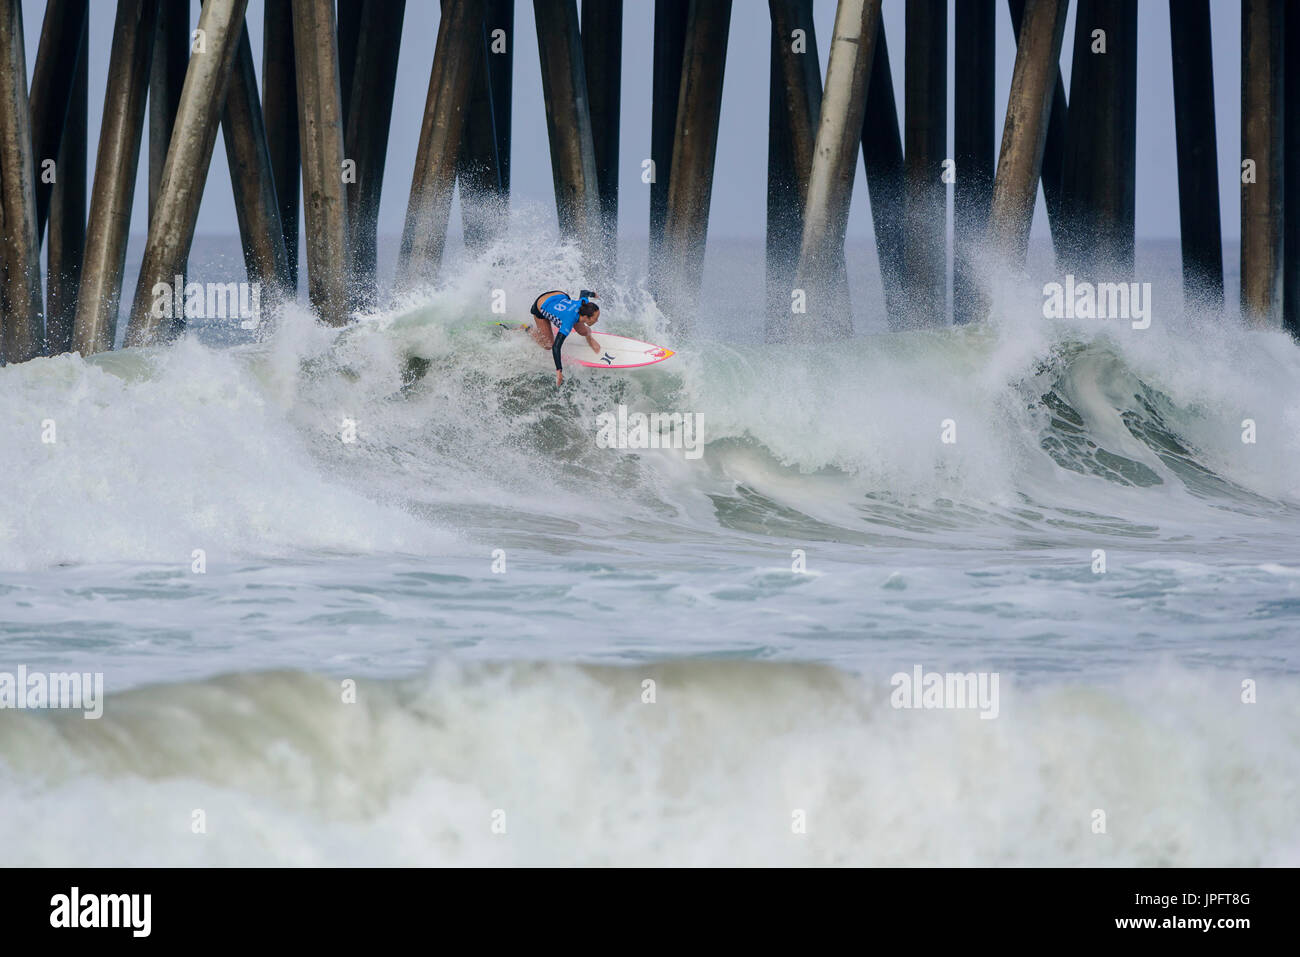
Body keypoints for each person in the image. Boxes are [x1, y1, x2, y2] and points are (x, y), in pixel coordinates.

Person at [524, 289, 602, 385]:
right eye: (596, 318)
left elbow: (584, 293)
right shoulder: (567, 323)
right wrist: (559, 371)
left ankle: (589, 338)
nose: (597, 321)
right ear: (586, 317)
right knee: (548, 345)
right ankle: (528, 329)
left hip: (559, 295)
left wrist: (594, 294)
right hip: (541, 306)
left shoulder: (583, 304)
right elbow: (556, 347)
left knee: (583, 331)